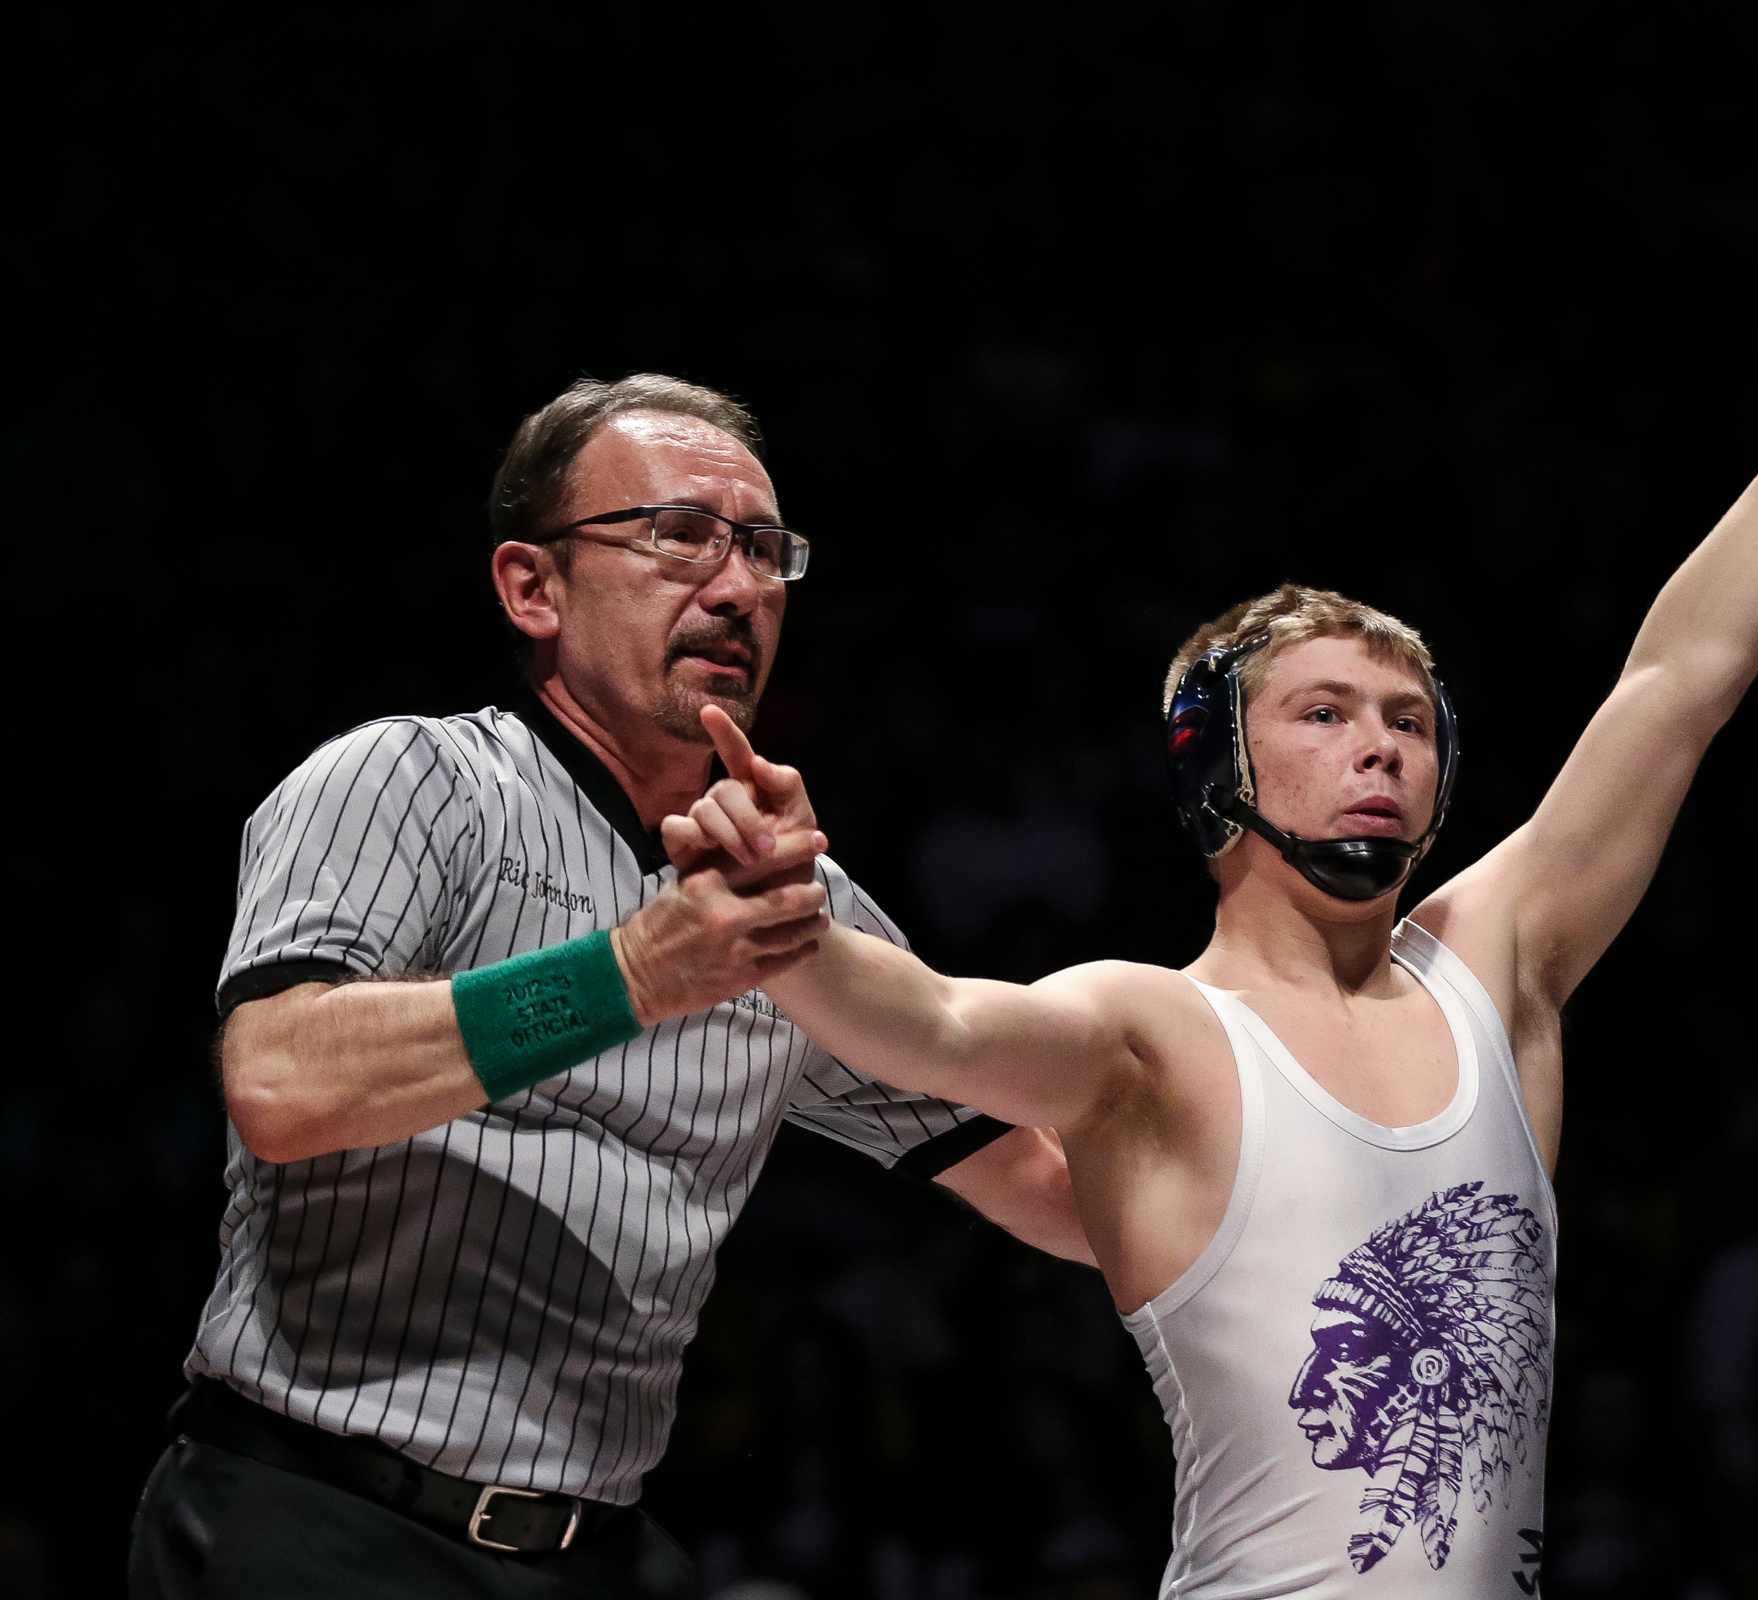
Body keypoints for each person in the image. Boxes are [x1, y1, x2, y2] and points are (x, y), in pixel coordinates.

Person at [674, 158, 1758, 1596]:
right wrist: (789, 925)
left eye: (1408, 722)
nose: (1380, 749)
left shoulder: (1497, 963)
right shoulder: (1152, 1034)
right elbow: (937, 1029)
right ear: (1218, 764)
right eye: (1325, 715)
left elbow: (1681, 678)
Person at [127, 375, 1090, 1599]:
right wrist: (635, 973)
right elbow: (280, 1079)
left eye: (763, 553)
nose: (737, 588)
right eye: (678, 537)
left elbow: (1052, 1187)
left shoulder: (797, 902)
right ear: (533, 587)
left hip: (597, 1546)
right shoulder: (411, 781)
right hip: (317, 1515)